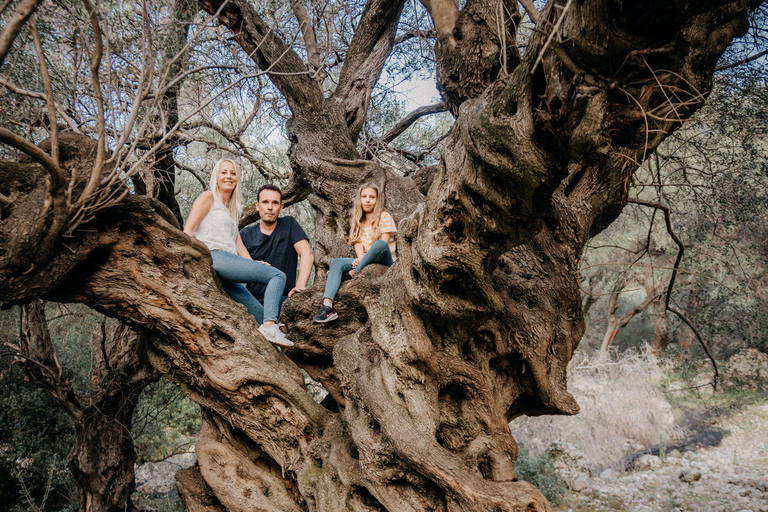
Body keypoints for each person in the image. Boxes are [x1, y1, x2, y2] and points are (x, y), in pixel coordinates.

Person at [183, 159, 293, 347]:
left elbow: (238, 245)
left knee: (259, 314)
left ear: (237, 179)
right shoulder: (208, 197)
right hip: (213, 257)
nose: (228, 176)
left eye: (233, 173)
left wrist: (255, 264)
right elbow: (187, 232)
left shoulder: (230, 211)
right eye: (223, 172)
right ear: (216, 177)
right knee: (277, 275)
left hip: (227, 268)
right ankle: (270, 326)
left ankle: (267, 335)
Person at [313, 182, 397, 323]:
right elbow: (358, 243)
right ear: (359, 199)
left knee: (379, 244)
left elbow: (384, 245)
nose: (368, 200)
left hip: (385, 260)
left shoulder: (384, 216)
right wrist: (360, 259)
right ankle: (327, 307)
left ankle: (352, 274)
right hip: (365, 261)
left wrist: (358, 265)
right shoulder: (358, 220)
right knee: (336, 262)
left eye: (372, 197)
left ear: (378, 200)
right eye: (364, 196)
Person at [239, 184, 314, 313]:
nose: (269, 207)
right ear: (257, 206)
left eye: (274, 203)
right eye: (265, 202)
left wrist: (300, 286)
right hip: (253, 301)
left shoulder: (289, 225)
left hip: (283, 300)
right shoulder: (245, 234)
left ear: (281, 207)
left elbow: (307, 254)